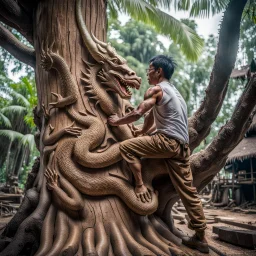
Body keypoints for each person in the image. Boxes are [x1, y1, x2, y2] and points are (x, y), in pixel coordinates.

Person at [108, 55, 209, 253]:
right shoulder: (176, 94)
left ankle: (138, 185)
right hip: (181, 147)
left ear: (159, 72)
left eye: (150, 69)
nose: (147, 72)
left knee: (126, 147)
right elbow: (151, 117)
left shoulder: (156, 90)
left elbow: (138, 112)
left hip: (166, 142)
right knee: (188, 191)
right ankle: (201, 237)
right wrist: (142, 131)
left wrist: (116, 122)